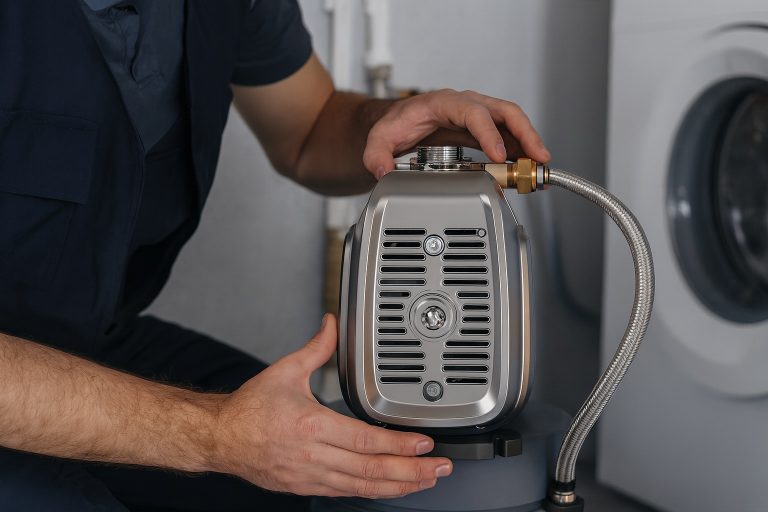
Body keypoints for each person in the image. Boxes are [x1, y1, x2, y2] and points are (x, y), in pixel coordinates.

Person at [0, 1, 550, 510]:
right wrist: (212, 433)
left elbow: (308, 129)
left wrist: (409, 129)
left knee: (320, 481)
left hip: (91, 337)